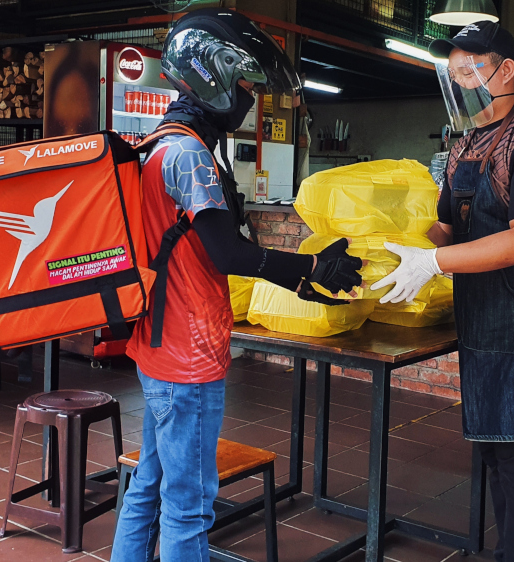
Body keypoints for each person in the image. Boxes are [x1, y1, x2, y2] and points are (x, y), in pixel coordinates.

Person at [111, 9, 363, 562]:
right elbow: (228, 252)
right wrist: (308, 269)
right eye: (245, 82)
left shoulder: (161, 143)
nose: (249, 96)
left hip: (156, 347)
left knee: (147, 492)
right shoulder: (190, 154)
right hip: (186, 356)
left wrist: (302, 275)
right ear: (214, 73)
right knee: (189, 507)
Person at [371, 21, 514, 562]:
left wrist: (435, 263)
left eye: (471, 68)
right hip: (487, 315)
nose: (463, 81)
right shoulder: (464, 140)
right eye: (455, 72)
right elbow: (447, 226)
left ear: (506, 70)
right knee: (495, 447)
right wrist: (394, 246)